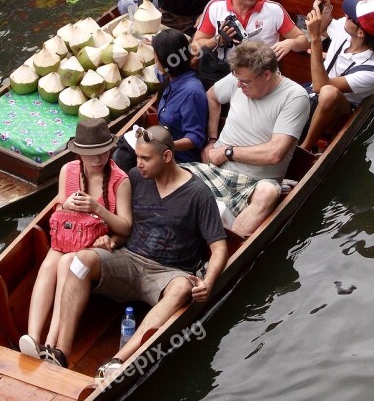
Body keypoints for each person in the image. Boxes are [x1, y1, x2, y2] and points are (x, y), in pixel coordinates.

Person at [41, 126, 227, 375]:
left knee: (183, 287)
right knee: (79, 261)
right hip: (128, 260)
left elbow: (219, 248)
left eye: (145, 158)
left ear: (167, 157)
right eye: (137, 157)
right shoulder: (136, 178)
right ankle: (60, 352)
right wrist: (111, 241)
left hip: (168, 272)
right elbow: (122, 225)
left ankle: (118, 361)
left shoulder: (198, 194)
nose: (138, 164)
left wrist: (209, 281)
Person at [18, 119, 133, 361]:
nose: (97, 159)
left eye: (102, 152)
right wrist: (65, 204)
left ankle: (51, 342)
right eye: (90, 154)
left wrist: (98, 209)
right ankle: (32, 338)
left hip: (95, 247)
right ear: (79, 152)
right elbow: (59, 206)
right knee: (49, 263)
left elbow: (125, 226)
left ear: (110, 148)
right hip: (68, 239)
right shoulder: (68, 171)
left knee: (64, 264)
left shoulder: (120, 180)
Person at [182, 42, 310, 236]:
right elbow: (212, 97)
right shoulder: (239, 78)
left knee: (268, 192)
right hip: (215, 170)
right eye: (237, 80)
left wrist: (228, 152)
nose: (239, 86)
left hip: (253, 185)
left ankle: (227, 247)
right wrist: (211, 140)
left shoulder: (294, 96)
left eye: (245, 82)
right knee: (166, 171)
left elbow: (275, 153)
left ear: (266, 75)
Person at [300, 0, 374, 152]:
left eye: (350, 17)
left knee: (329, 93)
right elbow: (324, 28)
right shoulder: (348, 29)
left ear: (361, 33)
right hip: (312, 94)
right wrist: (325, 10)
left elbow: (321, 87)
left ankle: (305, 148)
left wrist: (314, 39)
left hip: (336, 112)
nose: (345, 16)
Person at [113, 29, 208, 170]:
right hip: (160, 146)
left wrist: (162, 145)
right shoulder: (170, 77)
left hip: (178, 158)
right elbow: (161, 68)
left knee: (123, 159)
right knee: (121, 152)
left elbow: (196, 138)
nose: (154, 57)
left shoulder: (191, 92)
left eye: (156, 54)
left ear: (164, 58)